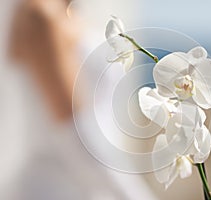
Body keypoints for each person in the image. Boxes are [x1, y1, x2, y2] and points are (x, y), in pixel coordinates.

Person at [1, 0, 158, 199]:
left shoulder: (67, 10)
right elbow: (76, 132)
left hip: (90, 184)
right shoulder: (40, 15)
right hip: (53, 188)